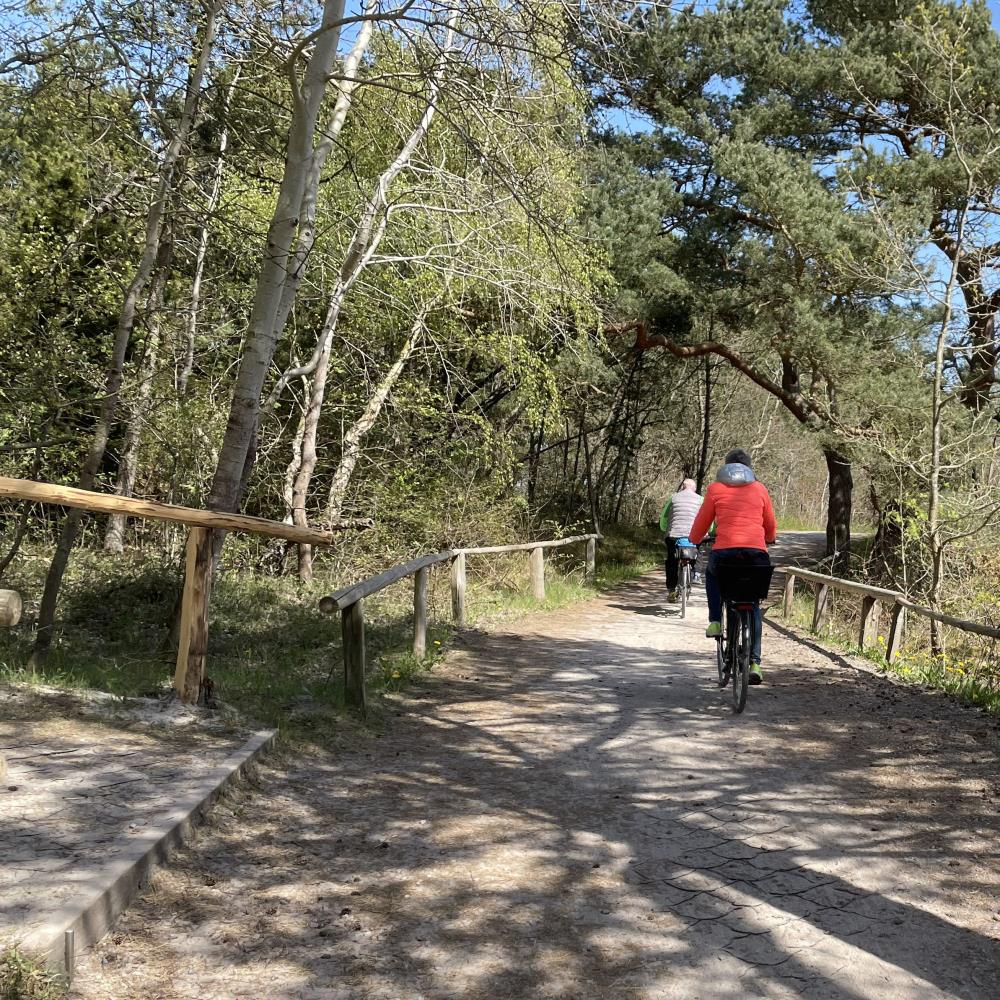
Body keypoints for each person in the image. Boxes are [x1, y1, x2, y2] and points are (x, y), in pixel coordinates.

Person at [688, 449, 777, 685]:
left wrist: (695, 539)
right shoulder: (760, 489)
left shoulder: (715, 489)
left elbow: (701, 523)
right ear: (749, 468)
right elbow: (770, 524)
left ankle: (716, 620)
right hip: (756, 555)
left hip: (724, 553)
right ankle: (755, 663)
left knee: (712, 574)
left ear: (726, 467)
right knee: (754, 602)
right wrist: (769, 537)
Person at [659, 478, 703, 601]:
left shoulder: (673, 498)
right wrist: (707, 532)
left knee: (671, 561)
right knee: (698, 550)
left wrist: (665, 529)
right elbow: (706, 519)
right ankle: (696, 574)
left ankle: (671, 590)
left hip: (674, 534)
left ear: (682, 488)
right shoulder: (700, 499)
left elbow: (663, 517)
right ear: (694, 489)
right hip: (694, 535)